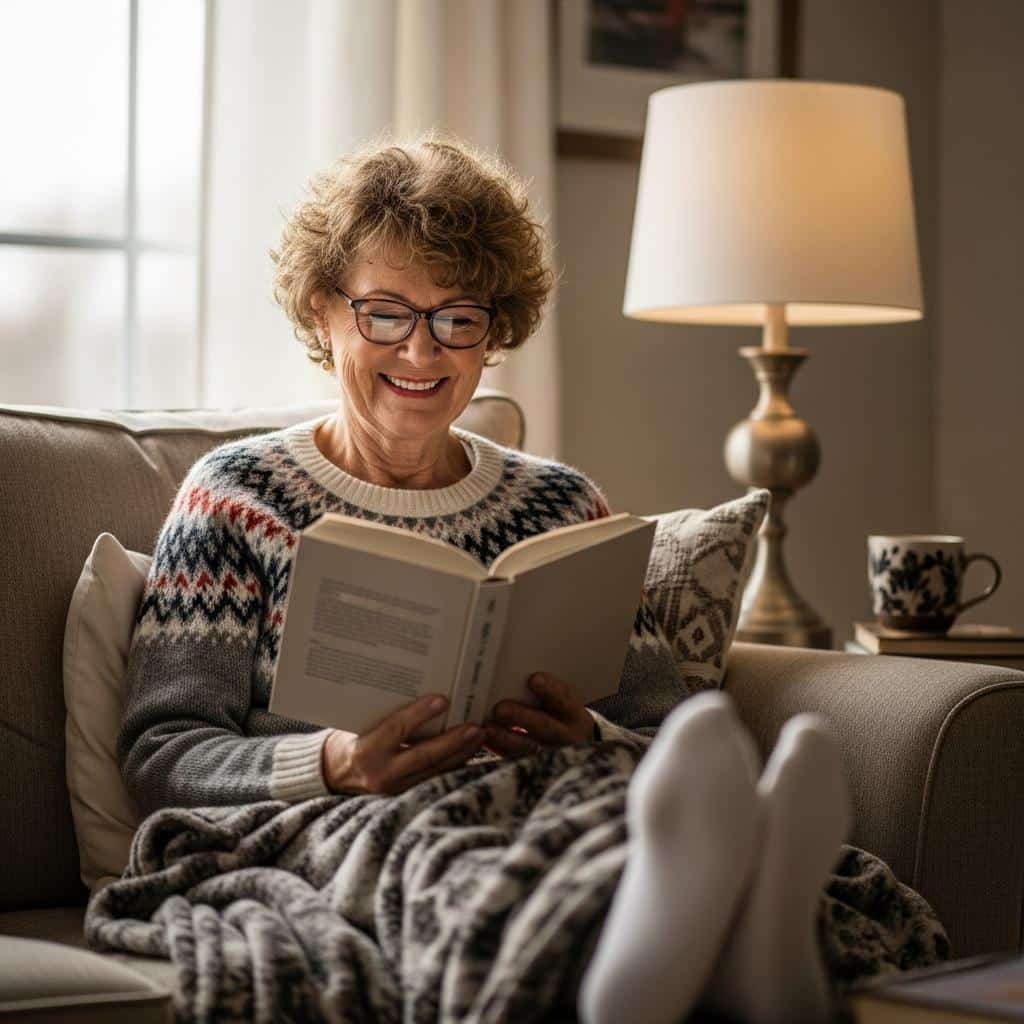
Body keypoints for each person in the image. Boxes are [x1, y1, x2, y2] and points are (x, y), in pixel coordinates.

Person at [116, 130, 946, 1024]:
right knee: (450, 855)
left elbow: (669, 737)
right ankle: (671, 961)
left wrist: (582, 733)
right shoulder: (237, 498)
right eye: (386, 312)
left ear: (493, 330)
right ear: (324, 311)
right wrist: (338, 761)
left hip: (543, 795)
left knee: (608, 817)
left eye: (458, 317)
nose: (423, 353)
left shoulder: (558, 503)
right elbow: (164, 753)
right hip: (343, 820)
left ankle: (742, 937)